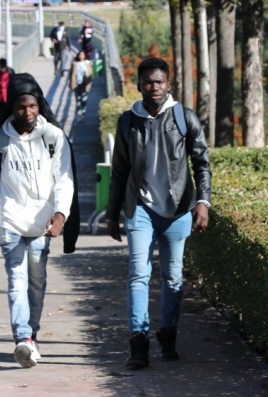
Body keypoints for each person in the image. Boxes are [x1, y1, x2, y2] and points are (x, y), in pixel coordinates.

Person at [106, 57, 211, 369]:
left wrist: (203, 202)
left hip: (178, 209)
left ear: (169, 84)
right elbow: (119, 171)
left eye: (159, 82)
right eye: (148, 82)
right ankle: (138, 343)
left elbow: (202, 163)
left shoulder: (184, 118)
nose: (154, 87)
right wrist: (113, 213)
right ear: (138, 85)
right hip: (140, 207)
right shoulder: (127, 122)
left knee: (173, 276)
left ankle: (168, 335)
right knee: (139, 273)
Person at [0, 73, 78, 368]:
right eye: (20, 107)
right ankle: (23, 338)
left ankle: (32, 333)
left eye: (32, 106)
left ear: (39, 104)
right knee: (16, 280)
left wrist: (60, 214)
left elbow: (64, 180)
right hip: (10, 222)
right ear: (11, 108)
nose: (27, 112)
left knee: (37, 281)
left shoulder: (53, 137)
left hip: (43, 225)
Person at [69, 50, 92, 121]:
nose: (81, 56)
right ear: (78, 56)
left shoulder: (87, 63)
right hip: (76, 84)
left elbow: (91, 73)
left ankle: (83, 112)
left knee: (84, 98)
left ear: (85, 56)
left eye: (83, 55)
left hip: (84, 84)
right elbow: (70, 74)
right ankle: (79, 115)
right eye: (80, 55)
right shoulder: (75, 63)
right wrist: (70, 83)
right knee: (78, 99)